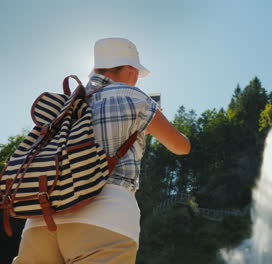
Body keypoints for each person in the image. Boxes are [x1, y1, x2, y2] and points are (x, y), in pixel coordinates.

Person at [13, 38, 191, 264]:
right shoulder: (133, 97)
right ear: (129, 69)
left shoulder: (66, 103)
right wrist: (151, 123)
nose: (136, 80)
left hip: (40, 219)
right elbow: (181, 147)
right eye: (136, 73)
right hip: (105, 218)